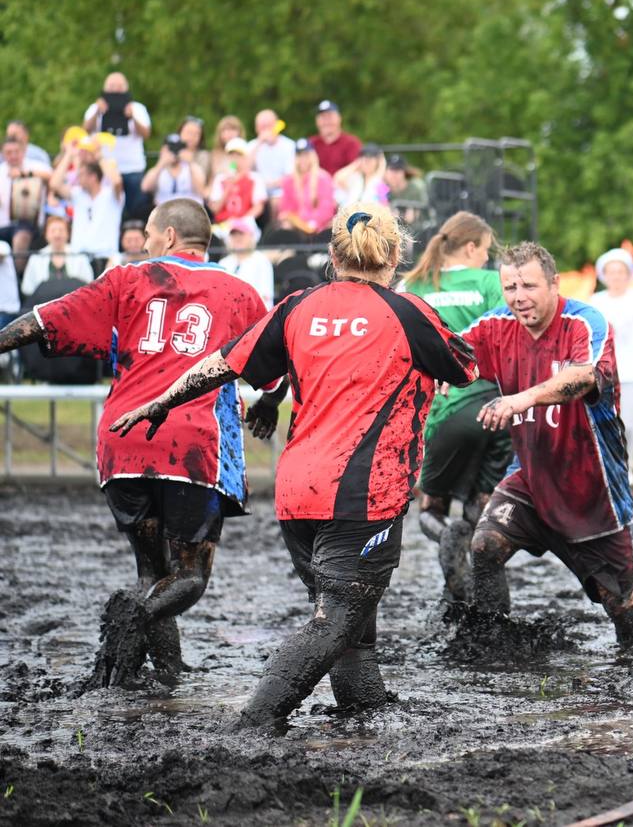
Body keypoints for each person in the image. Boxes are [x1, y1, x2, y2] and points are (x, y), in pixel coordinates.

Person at [111, 202, 479, 728]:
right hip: (362, 494)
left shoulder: (297, 307)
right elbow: (464, 367)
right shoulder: (408, 312)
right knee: (336, 623)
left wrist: (159, 402)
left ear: (332, 254)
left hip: (297, 496)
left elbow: (221, 365)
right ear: (395, 255)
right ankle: (250, 726)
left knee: (348, 624)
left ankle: (363, 713)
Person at [0, 199, 271, 686]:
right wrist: (271, 400)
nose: (144, 244)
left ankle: (163, 676)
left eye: (148, 234)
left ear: (168, 236)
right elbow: (276, 358)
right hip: (192, 449)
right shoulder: (239, 293)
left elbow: (43, 321)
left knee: (153, 574)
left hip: (122, 443)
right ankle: (128, 628)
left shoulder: (127, 280)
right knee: (188, 578)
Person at [465, 242, 633, 647]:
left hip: (591, 488)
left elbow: (583, 378)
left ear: (554, 283)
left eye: (529, 286)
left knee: (621, 608)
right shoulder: (496, 325)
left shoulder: (584, 322)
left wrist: (520, 399)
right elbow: (452, 350)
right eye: (510, 288)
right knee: (484, 547)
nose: (519, 298)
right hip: (530, 478)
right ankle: (492, 648)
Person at [398, 211, 510, 601]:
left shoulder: (411, 285)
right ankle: (484, 591)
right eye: (486, 251)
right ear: (470, 246)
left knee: (432, 505)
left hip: (440, 412)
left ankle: (450, 543)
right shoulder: (491, 283)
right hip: (493, 408)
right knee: (484, 503)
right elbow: (507, 336)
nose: (487, 259)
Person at [589, 247, 633, 486]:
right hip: (602, 372)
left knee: (628, 423)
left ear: (629, 274)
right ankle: (607, 466)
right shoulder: (595, 302)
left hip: (630, 371)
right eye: (612, 271)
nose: (616, 276)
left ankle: (625, 466)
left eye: (621, 271)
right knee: (603, 421)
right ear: (604, 275)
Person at [82, 72, 151, 215]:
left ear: (126, 89)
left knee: (135, 210)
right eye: (112, 86)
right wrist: (97, 112)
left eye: (119, 86)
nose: (115, 90)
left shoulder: (137, 108)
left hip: (133, 169)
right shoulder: (95, 107)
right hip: (105, 169)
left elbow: (146, 134)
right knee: (107, 210)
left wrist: (132, 117)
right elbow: (85, 130)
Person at [50, 152, 124, 264]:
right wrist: (69, 154)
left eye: (81, 175)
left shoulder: (111, 195)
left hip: (105, 257)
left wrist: (100, 157)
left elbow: (117, 181)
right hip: (79, 258)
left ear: (93, 177)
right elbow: (54, 184)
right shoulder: (77, 194)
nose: (77, 178)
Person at [274, 139, 336, 242]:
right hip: (296, 227)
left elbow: (327, 208)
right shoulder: (288, 180)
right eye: (299, 155)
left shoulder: (323, 178)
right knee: (285, 227)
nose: (303, 159)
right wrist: (298, 221)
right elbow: (285, 208)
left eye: (306, 155)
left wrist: (313, 222)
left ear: (312, 156)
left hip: (320, 226)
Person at [0, 134, 51, 258]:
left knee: (21, 237)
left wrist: (25, 174)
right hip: (3, 224)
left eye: (16, 152)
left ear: (23, 152)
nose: (13, 156)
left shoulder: (35, 166)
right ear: (3, 154)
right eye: (8, 152)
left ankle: (19, 275)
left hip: (28, 224)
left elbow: (52, 176)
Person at [21, 216, 93, 296]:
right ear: (46, 235)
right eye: (53, 231)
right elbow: (27, 288)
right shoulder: (36, 258)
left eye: (61, 230)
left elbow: (89, 284)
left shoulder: (79, 256)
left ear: (68, 234)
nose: (57, 235)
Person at [217, 217, 274, 308]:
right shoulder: (223, 263)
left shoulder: (261, 261)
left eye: (241, 234)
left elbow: (265, 298)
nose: (237, 238)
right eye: (234, 235)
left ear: (251, 236)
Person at [207, 138, 266, 224]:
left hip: (245, 224)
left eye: (239, 155)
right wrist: (227, 188)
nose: (235, 158)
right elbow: (215, 209)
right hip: (223, 224)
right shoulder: (220, 179)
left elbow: (258, 208)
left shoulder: (255, 178)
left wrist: (241, 223)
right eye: (231, 155)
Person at [247, 109, 294, 211]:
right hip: (257, 192)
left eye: (269, 125)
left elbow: (290, 176)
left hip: (280, 191)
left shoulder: (289, 145)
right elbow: (244, 169)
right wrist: (259, 143)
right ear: (256, 128)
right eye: (262, 127)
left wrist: (269, 185)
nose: (266, 130)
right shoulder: (251, 146)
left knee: (276, 200)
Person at [141, 134, 207, 206]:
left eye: (178, 147)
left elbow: (201, 190)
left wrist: (190, 163)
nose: (175, 151)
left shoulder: (192, 168)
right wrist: (161, 163)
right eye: (171, 148)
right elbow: (145, 188)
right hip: (164, 212)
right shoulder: (159, 170)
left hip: (190, 210)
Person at [310, 100, 361, 175]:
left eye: (330, 116)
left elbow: (359, 166)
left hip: (342, 185)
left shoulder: (351, 143)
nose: (326, 121)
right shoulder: (311, 144)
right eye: (322, 117)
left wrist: (342, 175)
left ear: (339, 118)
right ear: (316, 121)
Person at [385, 155, 426, 226]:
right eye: (391, 170)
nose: (394, 174)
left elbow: (422, 215)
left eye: (398, 170)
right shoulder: (382, 188)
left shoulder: (415, 188)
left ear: (404, 172)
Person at [207, 115, 246, 186]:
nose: (229, 133)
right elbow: (213, 176)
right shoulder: (215, 154)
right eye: (225, 130)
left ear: (239, 132)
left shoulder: (244, 152)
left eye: (232, 129)